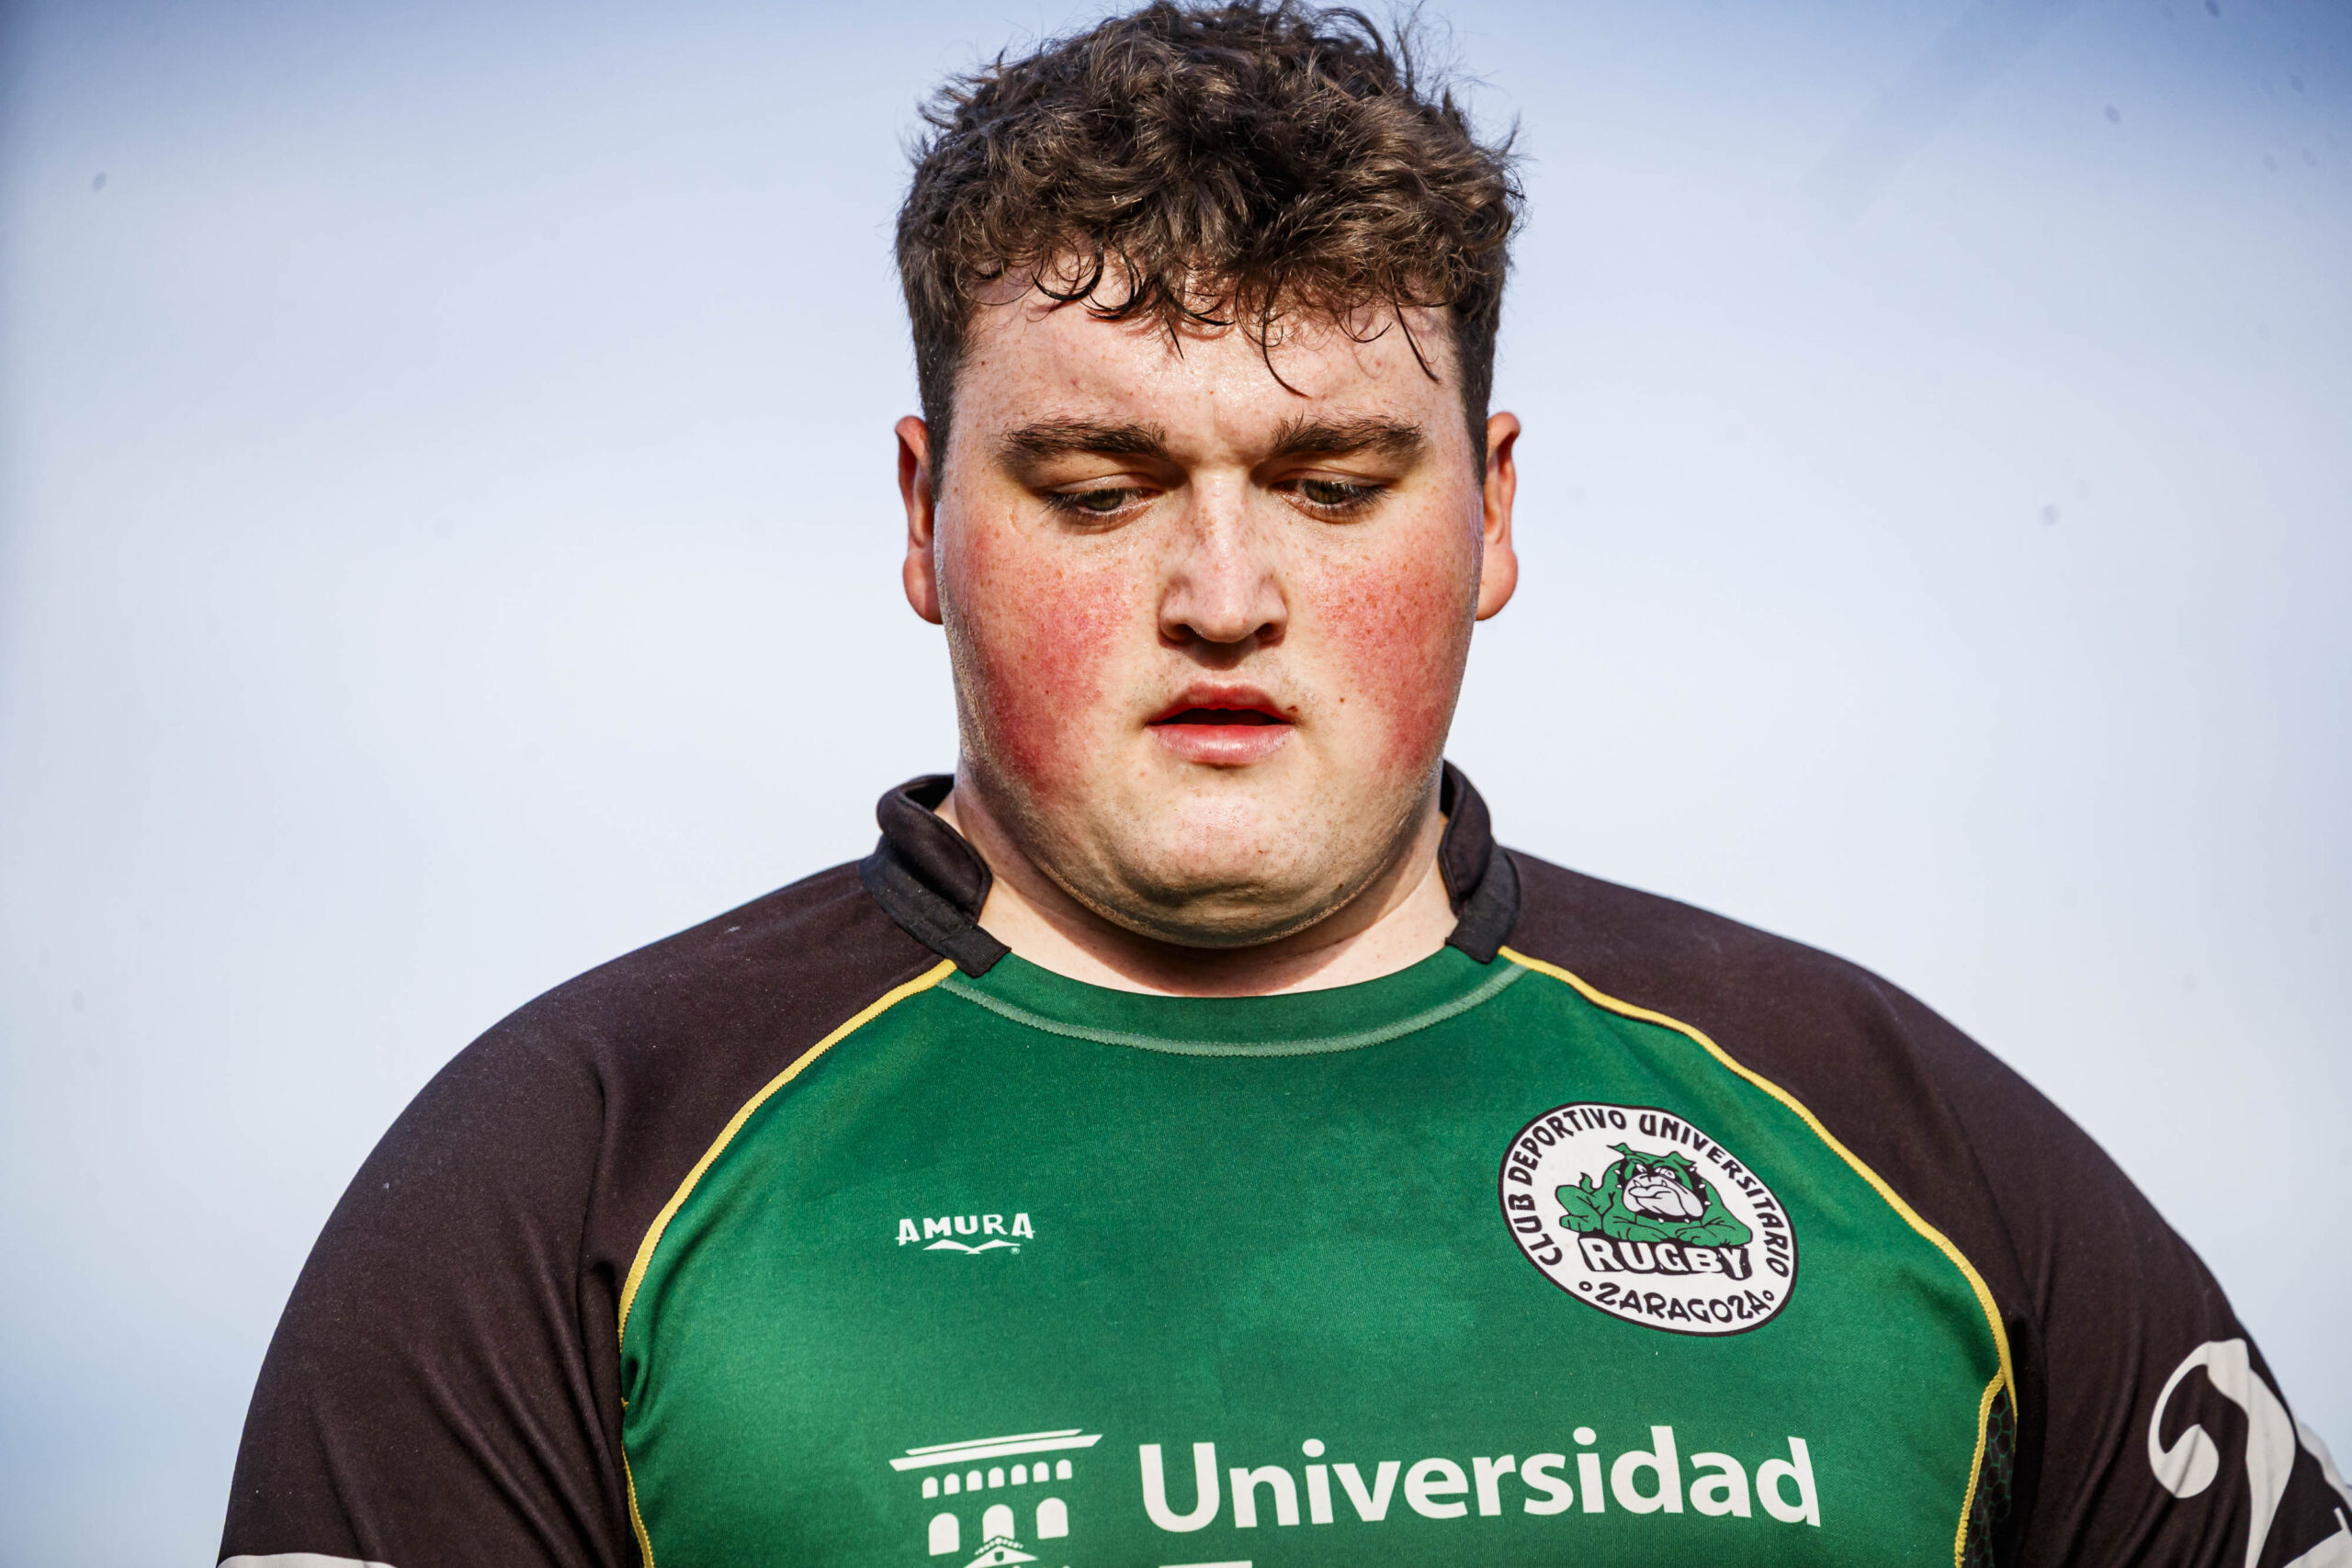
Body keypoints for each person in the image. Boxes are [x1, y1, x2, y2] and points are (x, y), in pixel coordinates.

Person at [219, 5, 2349, 1566]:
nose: (1219, 591)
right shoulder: (566, 1174)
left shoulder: (1897, 1144)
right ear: (918, 511)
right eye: (1095, 482)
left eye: (1333, 484)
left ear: (1490, 513)